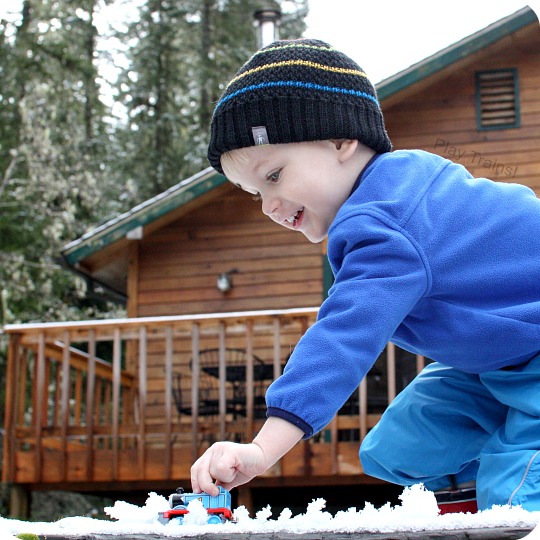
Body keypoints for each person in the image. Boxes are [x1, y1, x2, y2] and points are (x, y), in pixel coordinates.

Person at [191, 37, 540, 512]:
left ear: (340, 141)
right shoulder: (390, 198)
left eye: (273, 176)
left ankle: (515, 494)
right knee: (396, 451)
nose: (269, 205)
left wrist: (261, 449)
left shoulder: (388, 220)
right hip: (496, 363)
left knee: (517, 486)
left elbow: (342, 339)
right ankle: (476, 492)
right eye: (255, 193)